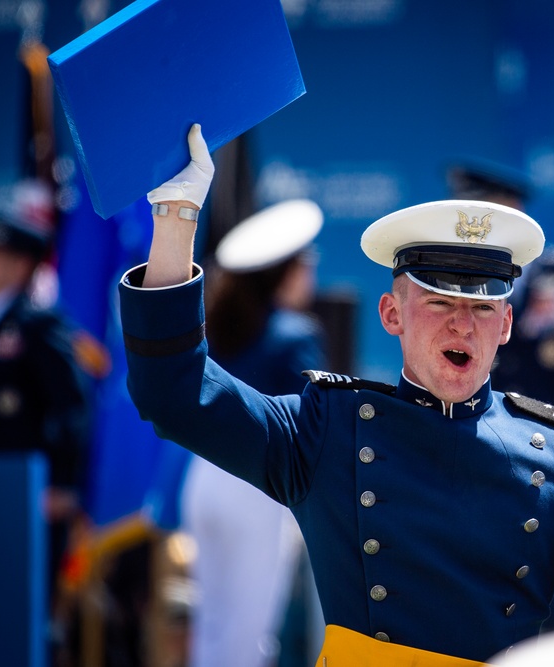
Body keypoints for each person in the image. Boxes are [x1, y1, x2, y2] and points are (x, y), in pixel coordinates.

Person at [119, 125, 554, 665]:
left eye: (484, 307)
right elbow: (174, 391)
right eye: (440, 302)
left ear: (507, 323)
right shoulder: (328, 430)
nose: (463, 324)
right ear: (392, 314)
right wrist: (177, 218)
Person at [182, 199, 327, 667]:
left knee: (213, 627)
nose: (312, 273)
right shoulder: (293, 332)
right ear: (285, 271)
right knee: (249, 634)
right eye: (306, 263)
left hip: (202, 478)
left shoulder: (221, 326)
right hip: (255, 486)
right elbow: (311, 424)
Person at [0, 190, 94, 662]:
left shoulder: (38, 323)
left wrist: (64, 485)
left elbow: (73, 406)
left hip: (29, 494)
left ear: (19, 264)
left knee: (26, 610)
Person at [446, 160, 554, 405]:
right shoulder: (446, 279)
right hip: (481, 425)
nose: (477, 228)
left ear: (517, 210)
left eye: (488, 215)